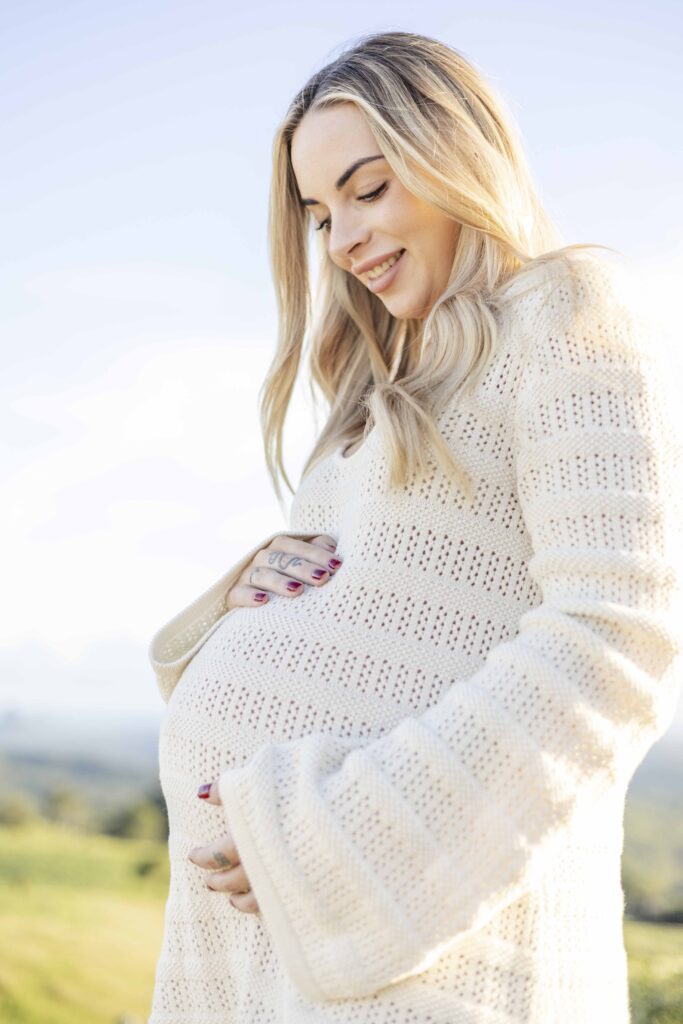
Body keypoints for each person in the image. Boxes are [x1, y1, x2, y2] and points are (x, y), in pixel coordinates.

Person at [146, 29, 683, 1024]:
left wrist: (330, 845)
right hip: (274, 963)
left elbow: (618, 638)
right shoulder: (378, 388)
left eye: (368, 188)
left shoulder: (570, 313)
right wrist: (239, 602)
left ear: (455, 158)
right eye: (319, 215)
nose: (341, 240)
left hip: (432, 968)